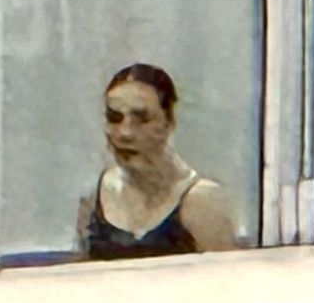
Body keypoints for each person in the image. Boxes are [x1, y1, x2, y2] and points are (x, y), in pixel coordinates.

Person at [77, 63, 236, 259]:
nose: (125, 133)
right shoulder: (96, 197)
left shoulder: (201, 200)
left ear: (168, 122)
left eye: (142, 119)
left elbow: (227, 282)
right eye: (114, 118)